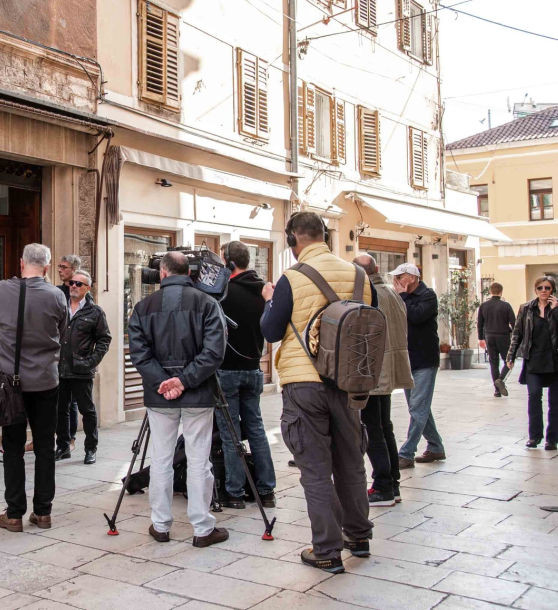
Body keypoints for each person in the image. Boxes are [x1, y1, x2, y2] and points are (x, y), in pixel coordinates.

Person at [260, 213, 375, 574]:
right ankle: (358, 536)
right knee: (351, 461)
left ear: (293, 239)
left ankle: (326, 549)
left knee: (315, 469)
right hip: (348, 381)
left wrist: (269, 301)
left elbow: (271, 331)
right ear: (323, 235)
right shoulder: (359, 276)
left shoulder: (292, 277)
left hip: (304, 382)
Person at [128, 251, 229, 549]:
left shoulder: (143, 307)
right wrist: (183, 381)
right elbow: (214, 352)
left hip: (162, 396)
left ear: (162, 273)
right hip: (197, 393)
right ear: (190, 273)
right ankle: (202, 527)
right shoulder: (207, 303)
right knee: (199, 461)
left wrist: (166, 382)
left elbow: (139, 354)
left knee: (161, 460)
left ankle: (161, 525)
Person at [0, 243, 68, 532]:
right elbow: (63, 332)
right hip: (45, 380)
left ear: (21, 264)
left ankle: (14, 514)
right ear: (47, 267)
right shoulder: (57, 295)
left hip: (11, 382)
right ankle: (43, 512)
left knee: (13, 448)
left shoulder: (1, 290)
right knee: (45, 446)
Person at [215, 240, 276, 510]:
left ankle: (235, 492)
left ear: (229, 263)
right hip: (254, 369)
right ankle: (266, 491)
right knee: (257, 430)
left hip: (227, 371)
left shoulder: (224, 292)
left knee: (231, 434)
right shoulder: (264, 290)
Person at [353, 254, 412, 507]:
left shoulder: (369, 294)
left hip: (374, 368)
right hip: (389, 366)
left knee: (372, 428)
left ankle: (383, 486)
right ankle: (393, 484)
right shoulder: (391, 291)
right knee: (384, 426)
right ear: (377, 268)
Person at [507, 276, 558, 450]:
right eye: (540, 288)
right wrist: (511, 355)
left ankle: (552, 439)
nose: (544, 291)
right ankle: (534, 436)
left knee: (555, 401)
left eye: (547, 288)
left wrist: (555, 310)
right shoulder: (526, 308)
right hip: (534, 359)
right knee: (534, 397)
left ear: (553, 289)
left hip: (557, 359)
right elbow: (517, 333)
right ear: (535, 290)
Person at [391, 263, 446, 470]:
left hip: (425, 360)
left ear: (412, 278)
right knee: (419, 407)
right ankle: (436, 446)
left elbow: (416, 315)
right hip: (408, 359)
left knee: (417, 407)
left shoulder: (428, 295)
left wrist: (402, 296)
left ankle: (406, 453)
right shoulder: (401, 296)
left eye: (400, 276)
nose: (396, 281)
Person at [56, 270, 111, 465]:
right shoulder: (60, 307)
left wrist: (91, 362)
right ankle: (63, 446)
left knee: (87, 411)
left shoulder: (95, 312)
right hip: (59, 369)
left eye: (78, 284)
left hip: (81, 370)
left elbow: (104, 340)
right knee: (60, 410)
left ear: (87, 288)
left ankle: (90, 449)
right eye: (72, 282)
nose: (73, 286)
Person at [56, 254, 82, 440]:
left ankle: (70, 438)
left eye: (64, 267)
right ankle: (55, 436)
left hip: (74, 355)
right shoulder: (56, 291)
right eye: (59, 266)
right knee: (55, 400)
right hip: (55, 352)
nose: (60, 270)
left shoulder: (80, 294)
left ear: (74, 270)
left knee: (71, 401)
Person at [478, 282, 516, 397]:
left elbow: (480, 323)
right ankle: (500, 379)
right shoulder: (506, 306)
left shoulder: (483, 306)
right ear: (501, 292)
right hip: (503, 336)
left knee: (494, 363)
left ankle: (497, 390)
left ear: (490, 291)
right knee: (508, 360)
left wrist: (481, 338)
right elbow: (514, 323)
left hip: (489, 337)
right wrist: (515, 335)